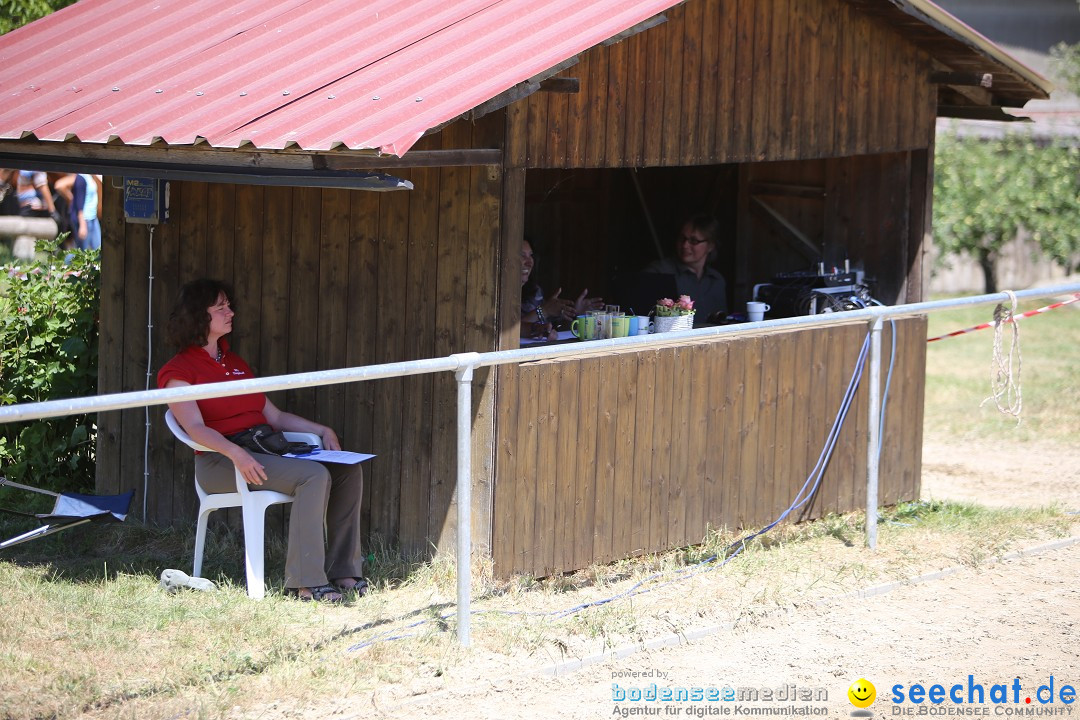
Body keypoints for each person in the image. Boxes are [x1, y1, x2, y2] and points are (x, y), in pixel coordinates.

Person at [158, 278, 366, 603]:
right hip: (220, 462)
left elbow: (276, 417)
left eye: (229, 305)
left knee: (346, 471)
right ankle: (306, 583)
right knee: (314, 475)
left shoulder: (234, 363)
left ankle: (344, 571)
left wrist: (323, 429)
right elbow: (196, 429)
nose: (231, 312)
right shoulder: (178, 371)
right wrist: (236, 454)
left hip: (261, 450)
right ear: (199, 316)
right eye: (221, 307)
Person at [645, 213, 728, 326]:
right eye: (682, 238)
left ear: (710, 246)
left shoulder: (717, 280)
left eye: (694, 241)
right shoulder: (659, 271)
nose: (685, 245)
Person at [520, 237, 603, 340]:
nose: (529, 262)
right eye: (522, 255)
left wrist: (574, 314)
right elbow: (508, 330)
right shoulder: (499, 293)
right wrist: (544, 310)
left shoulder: (535, 291)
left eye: (531, 255)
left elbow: (551, 330)